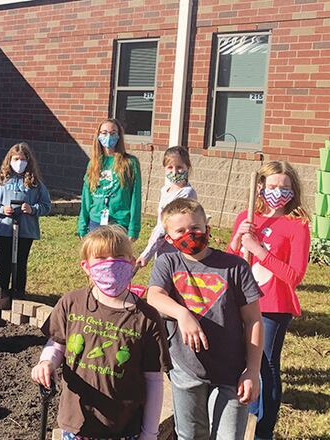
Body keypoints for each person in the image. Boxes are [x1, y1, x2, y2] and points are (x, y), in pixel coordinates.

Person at [31, 225, 170, 440]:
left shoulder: (147, 318)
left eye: (118, 256)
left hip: (124, 427)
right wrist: (46, 363)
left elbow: (154, 380)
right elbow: (57, 343)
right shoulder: (72, 302)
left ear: (132, 262)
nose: (111, 263)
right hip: (78, 423)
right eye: (101, 258)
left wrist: (150, 433)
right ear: (86, 266)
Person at [146, 198, 263, 440]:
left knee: (228, 436)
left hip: (231, 371)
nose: (190, 234)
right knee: (190, 434)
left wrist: (252, 370)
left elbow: (253, 320)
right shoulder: (168, 262)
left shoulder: (235, 267)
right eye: (180, 231)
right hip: (186, 368)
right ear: (168, 238)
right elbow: (154, 296)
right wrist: (182, 313)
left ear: (207, 229)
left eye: (195, 228)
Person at [227, 161, 310, 440]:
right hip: (243, 300)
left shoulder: (297, 225)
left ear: (293, 191)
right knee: (242, 360)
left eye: (285, 187)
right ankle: (245, 416)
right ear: (260, 187)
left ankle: (263, 429)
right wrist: (239, 239)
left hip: (273, 305)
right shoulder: (246, 217)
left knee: (265, 363)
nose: (278, 192)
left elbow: (294, 275)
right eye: (273, 186)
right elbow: (232, 260)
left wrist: (260, 250)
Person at [0, 142, 51, 298]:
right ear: (9, 160)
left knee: (21, 264)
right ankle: (2, 293)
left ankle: (19, 293)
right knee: (4, 263)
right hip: (5, 229)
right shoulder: (0, 181)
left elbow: (46, 205)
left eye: (23, 159)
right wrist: (1, 209)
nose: (19, 162)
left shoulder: (34, 183)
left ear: (28, 161)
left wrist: (33, 209)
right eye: (16, 159)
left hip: (26, 230)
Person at [77, 119, 142, 240]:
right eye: (104, 133)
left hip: (119, 222)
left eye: (113, 133)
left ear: (119, 135)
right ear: (98, 135)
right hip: (95, 221)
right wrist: (82, 225)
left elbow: (135, 197)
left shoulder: (130, 163)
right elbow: (86, 197)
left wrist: (134, 228)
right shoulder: (93, 163)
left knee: (116, 258)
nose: (108, 136)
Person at [136, 146, 197, 268]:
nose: (174, 172)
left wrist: (146, 253)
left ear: (187, 167)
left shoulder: (186, 193)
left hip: (177, 248)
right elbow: (160, 222)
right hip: (162, 244)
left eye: (179, 167)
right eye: (170, 167)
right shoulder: (165, 190)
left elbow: (166, 225)